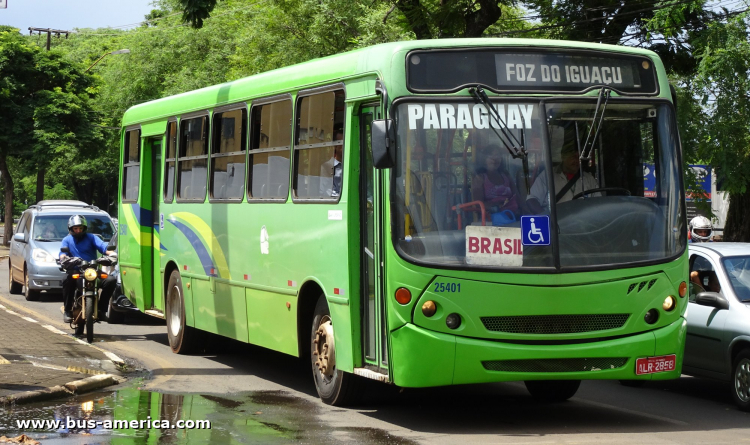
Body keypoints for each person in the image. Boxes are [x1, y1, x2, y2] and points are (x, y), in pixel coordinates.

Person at [59, 215, 116, 323]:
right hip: (76, 270)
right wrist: (64, 258)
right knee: (67, 280)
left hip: (91, 270)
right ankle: (67, 310)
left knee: (111, 280)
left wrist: (113, 254)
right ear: (71, 229)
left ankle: (101, 310)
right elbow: (62, 254)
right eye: (75, 228)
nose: (78, 231)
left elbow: (104, 247)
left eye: (80, 228)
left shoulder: (91, 237)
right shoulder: (67, 240)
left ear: (84, 228)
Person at [526, 134, 598, 214]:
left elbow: (598, 203)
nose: (576, 161)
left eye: (578, 157)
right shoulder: (548, 176)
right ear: (563, 156)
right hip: (557, 222)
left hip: (583, 223)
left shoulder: (588, 178)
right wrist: (547, 219)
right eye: (573, 157)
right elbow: (531, 199)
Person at [471, 145, 520, 217]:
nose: (494, 159)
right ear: (484, 159)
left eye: (497, 156)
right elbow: (478, 204)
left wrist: (527, 212)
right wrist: (498, 206)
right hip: (491, 218)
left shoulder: (506, 175)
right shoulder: (480, 178)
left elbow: (517, 197)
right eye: (490, 156)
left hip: (512, 215)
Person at [320, 130, 343, 197]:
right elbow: (325, 191)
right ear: (335, 146)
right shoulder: (326, 166)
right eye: (341, 142)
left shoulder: (354, 166)